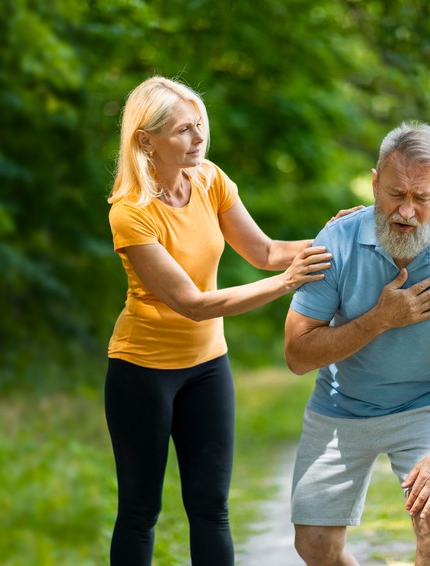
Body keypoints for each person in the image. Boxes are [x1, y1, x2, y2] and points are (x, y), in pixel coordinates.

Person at [104, 76, 334, 565]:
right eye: (184, 131)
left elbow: (266, 250)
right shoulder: (130, 213)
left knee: (211, 508)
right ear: (146, 140)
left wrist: (336, 234)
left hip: (207, 366)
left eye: (199, 126)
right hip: (142, 372)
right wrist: (287, 284)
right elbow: (192, 303)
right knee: (140, 511)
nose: (198, 139)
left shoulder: (209, 179)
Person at [284, 122, 430, 566]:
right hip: (340, 405)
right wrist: (379, 319)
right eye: (395, 193)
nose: (405, 211)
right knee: (313, 544)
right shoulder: (335, 242)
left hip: (425, 406)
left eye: (422, 198)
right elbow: (296, 355)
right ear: (374, 182)